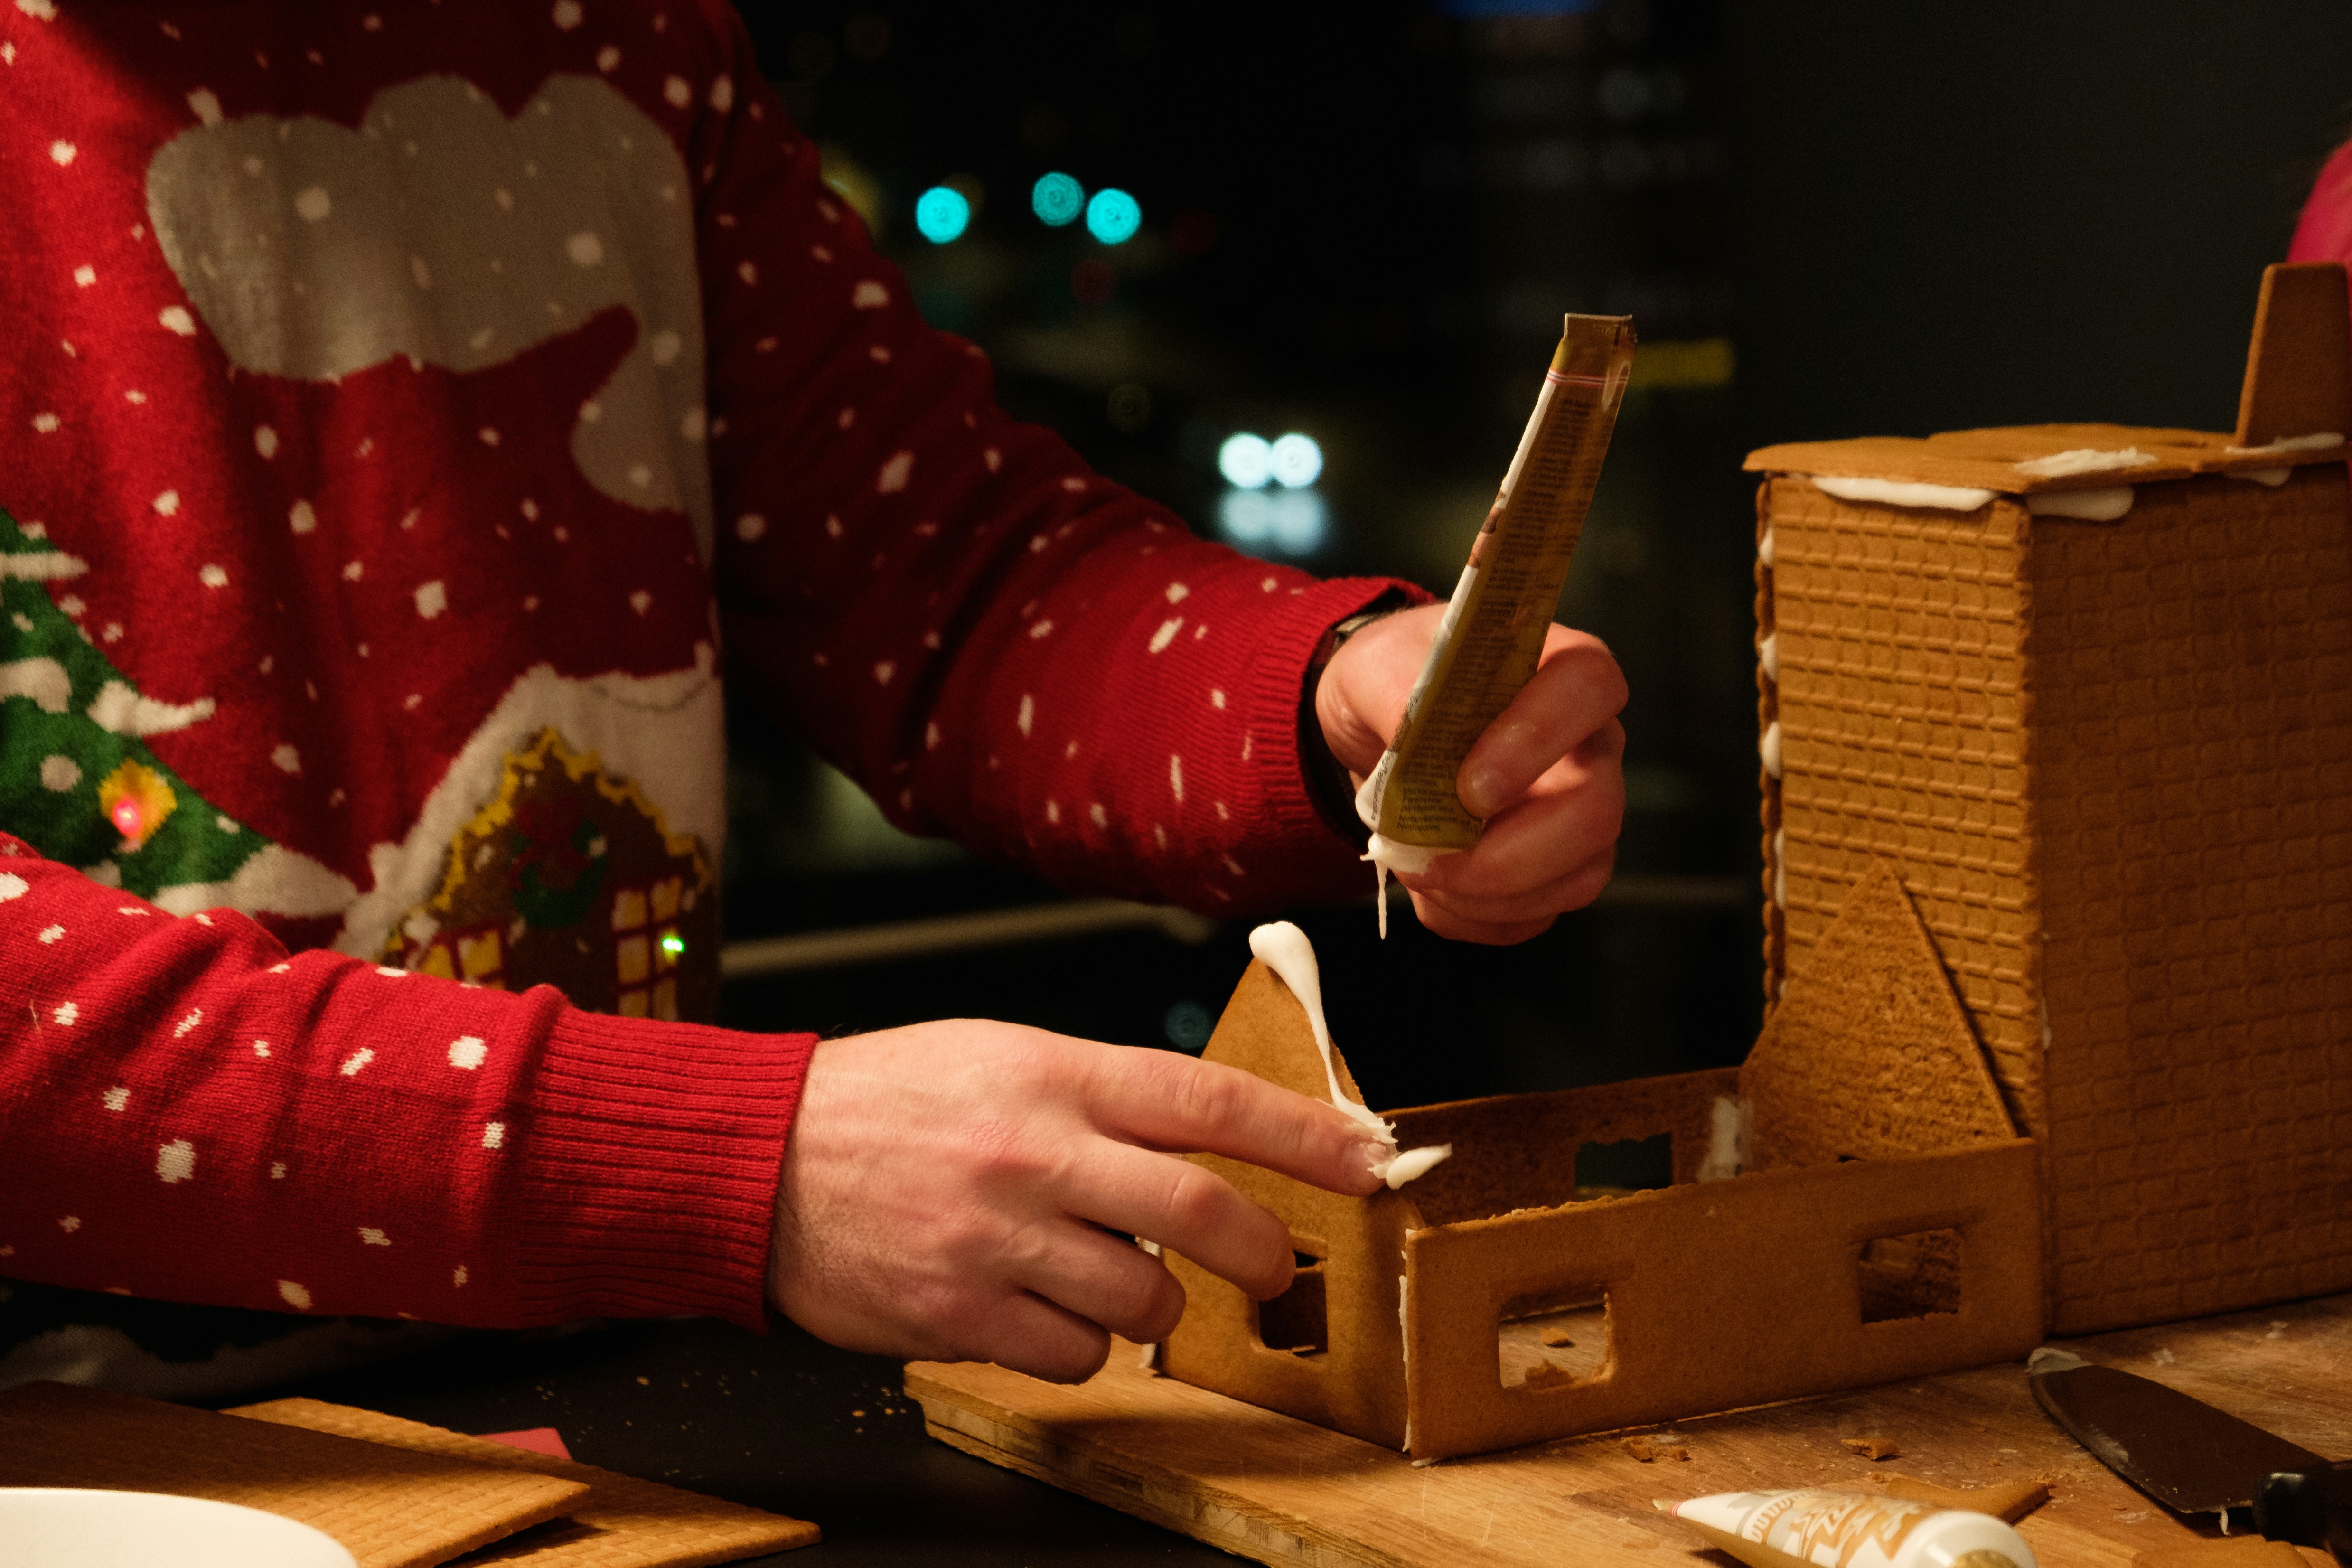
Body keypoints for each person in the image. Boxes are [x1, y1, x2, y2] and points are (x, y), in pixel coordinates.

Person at [0, 0, 1627, 1393]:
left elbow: (947, 581)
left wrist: (1322, 694)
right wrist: (728, 1161)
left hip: (591, 1379)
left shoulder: (615, 36)